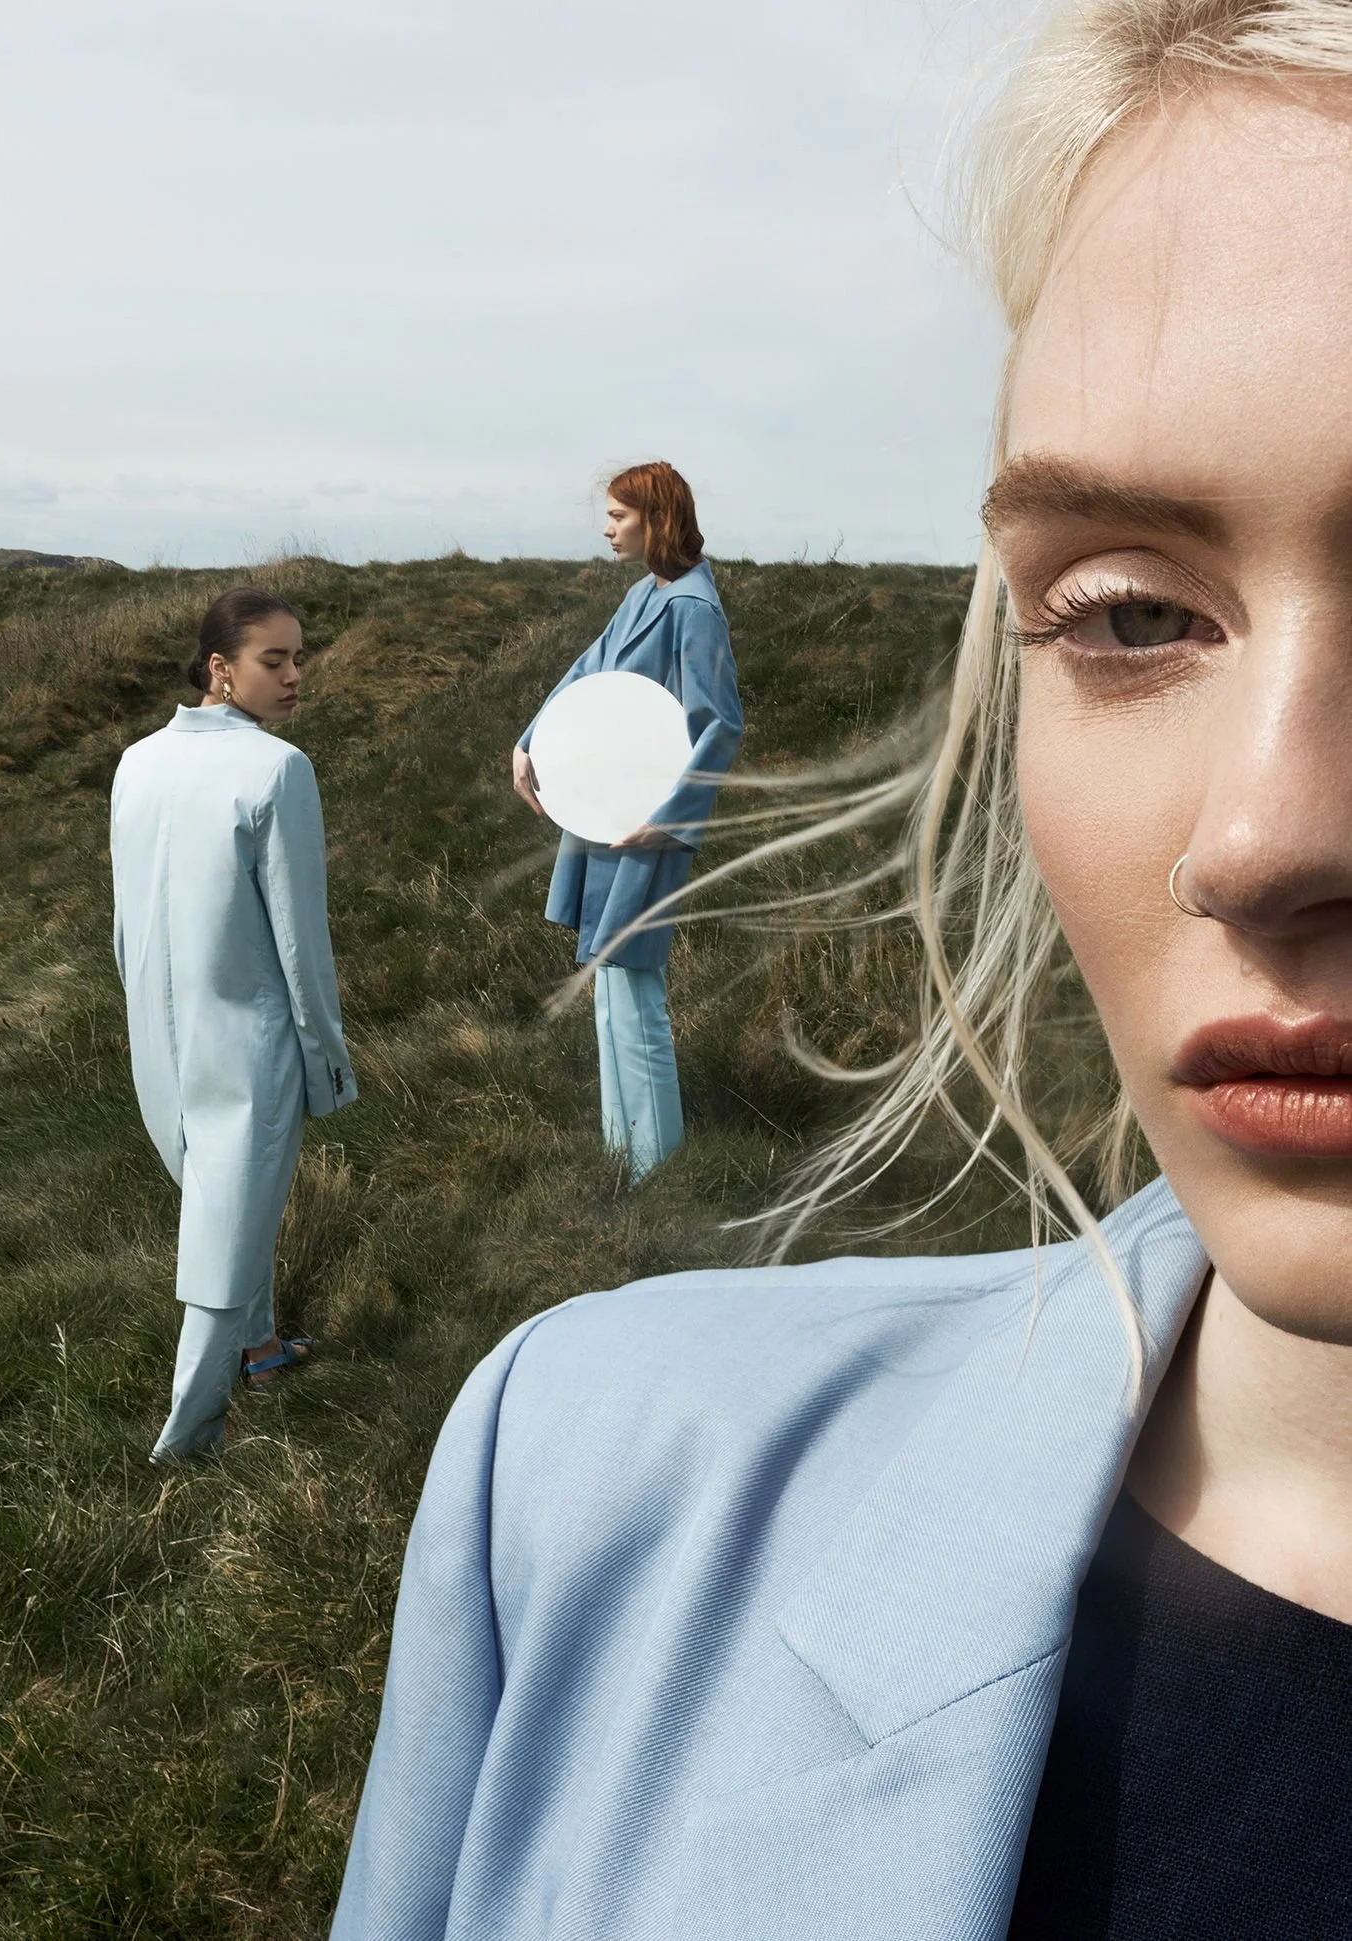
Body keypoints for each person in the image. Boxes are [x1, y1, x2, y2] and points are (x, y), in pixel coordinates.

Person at [335, 2, 1352, 1932]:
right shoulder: (578, 1481)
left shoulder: (697, 609)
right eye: (1128, 610)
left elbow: (688, 738)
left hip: (632, 864)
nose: (1265, 834)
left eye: (625, 508)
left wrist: (633, 803)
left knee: (630, 1010)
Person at [110, 587, 354, 1463]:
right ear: (221, 669)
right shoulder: (277, 770)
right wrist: (326, 1057)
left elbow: (124, 920)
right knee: (223, 1235)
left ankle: (260, 1350)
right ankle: (186, 1441)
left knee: (220, 1206)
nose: (294, 677)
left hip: (158, 1034)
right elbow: (302, 939)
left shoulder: (135, 760)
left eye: (299, 657)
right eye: (274, 660)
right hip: (249, 1040)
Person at [511, 462, 743, 1179]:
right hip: (604, 813)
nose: (607, 528)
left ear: (657, 518)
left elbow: (719, 724)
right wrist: (529, 740)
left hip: (644, 823)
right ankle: (626, 1156)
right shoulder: (646, 595)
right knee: (609, 984)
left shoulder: (692, 609)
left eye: (619, 516)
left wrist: (669, 818)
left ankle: (655, 1169)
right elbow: (586, 674)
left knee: (635, 992)